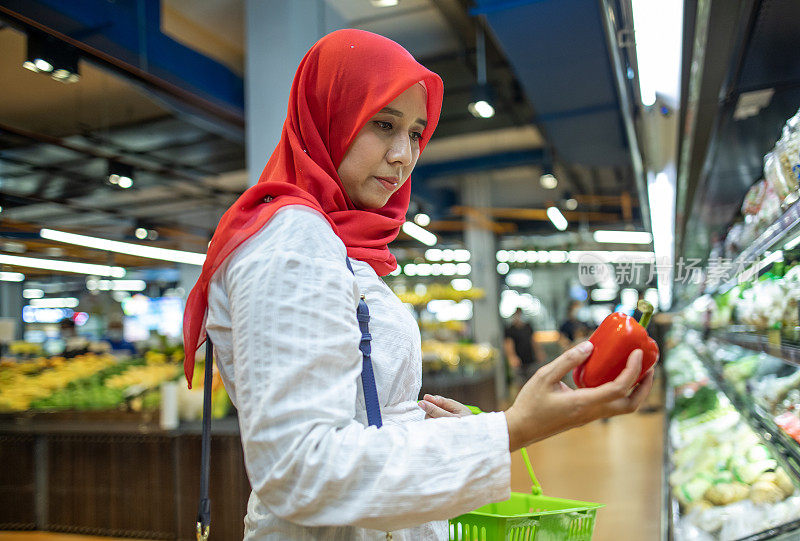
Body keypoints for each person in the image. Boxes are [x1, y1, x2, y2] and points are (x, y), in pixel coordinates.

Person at [182, 29, 655, 540]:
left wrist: (427, 428)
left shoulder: (331, 240)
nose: (403, 155)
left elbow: (347, 422)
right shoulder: (291, 240)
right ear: (329, 114)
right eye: (384, 125)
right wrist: (514, 428)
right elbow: (301, 469)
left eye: (415, 134)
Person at [503, 307, 546, 380]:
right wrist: (512, 357)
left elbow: (533, 341)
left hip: (530, 359)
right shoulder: (510, 330)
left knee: (533, 380)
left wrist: (539, 352)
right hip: (519, 361)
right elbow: (508, 344)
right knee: (520, 382)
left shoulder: (528, 327)